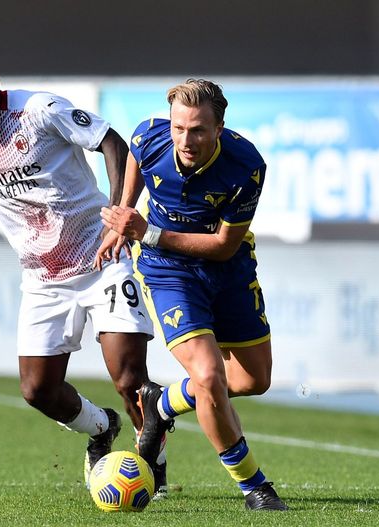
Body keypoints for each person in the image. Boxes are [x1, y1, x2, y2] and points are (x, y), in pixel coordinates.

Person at [0, 17, 170, 497]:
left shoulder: (41, 110)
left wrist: (119, 211)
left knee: (130, 378)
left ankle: (154, 464)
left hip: (100, 258)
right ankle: (100, 430)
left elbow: (112, 141)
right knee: (37, 391)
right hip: (43, 277)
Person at [95, 79, 288, 510]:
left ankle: (161, 405)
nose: (186, 139)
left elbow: (224, 245)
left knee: (254, 380)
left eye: (198, 130)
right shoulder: (150, 134)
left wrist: (147, 231)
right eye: (180, 127)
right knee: (208, 376)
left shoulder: (245, 166)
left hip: (227, 269)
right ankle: (253, 485)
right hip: (169, 273)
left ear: (219, 128)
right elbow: (137, 159)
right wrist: (123, 216)